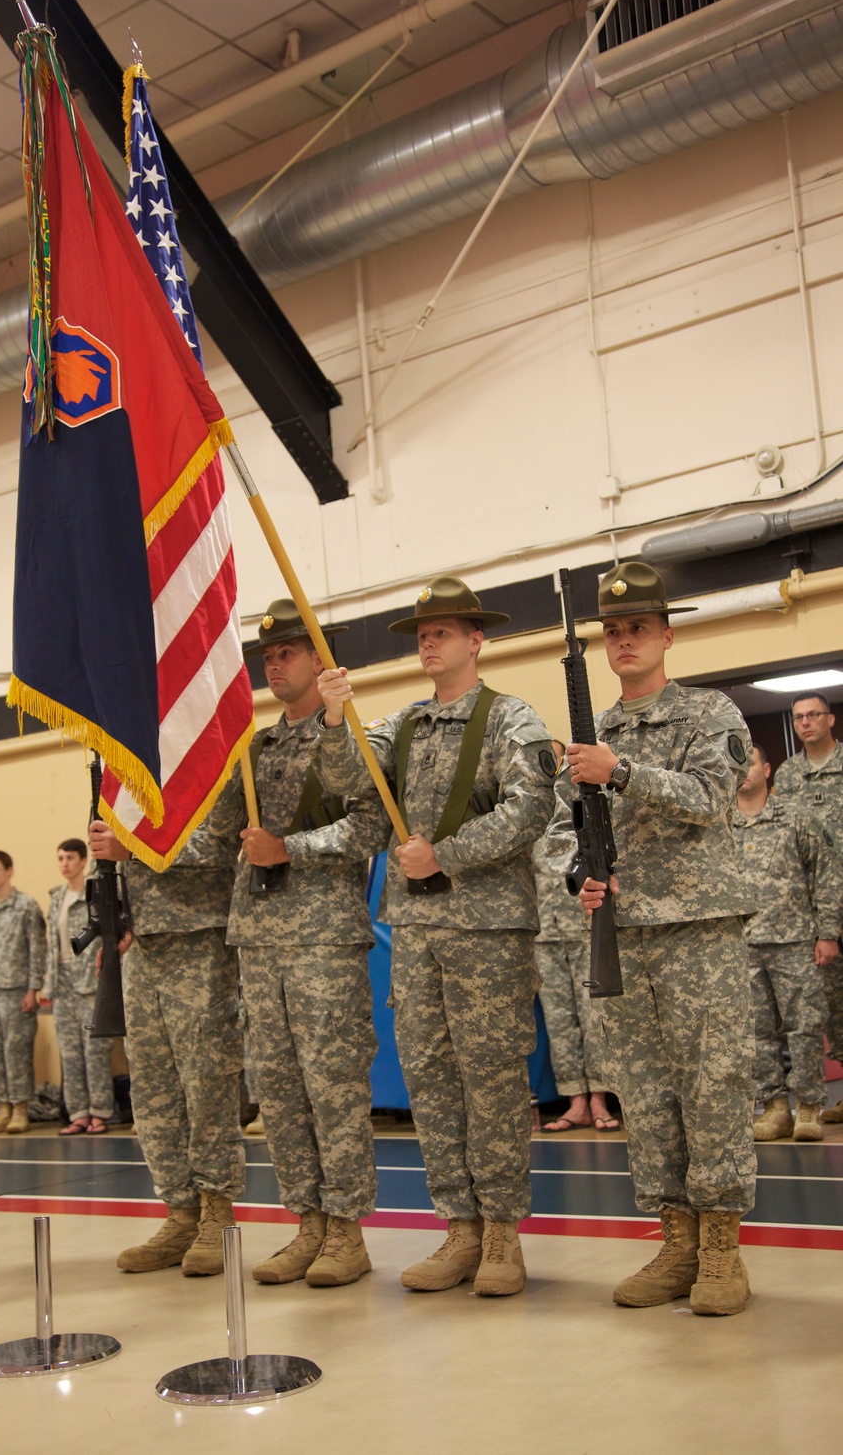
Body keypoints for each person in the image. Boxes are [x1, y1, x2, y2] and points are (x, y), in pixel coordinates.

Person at [316, 576, 556, 1297]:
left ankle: (505, 1235)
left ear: (476, 640)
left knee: (492, 1081)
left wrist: (443, 854)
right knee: (430, 1080)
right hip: (416, 933)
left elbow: (533, 805)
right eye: (422, 634)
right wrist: (334, 719)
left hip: (486, 931)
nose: (429, 642)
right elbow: (346, 776)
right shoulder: (403, 726)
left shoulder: (514, 719)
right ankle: (460, 1229)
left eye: (443, 632)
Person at [546, 561, 755, 1317]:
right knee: (646, 1091)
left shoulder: (709, 714)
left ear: (667, 634)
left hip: (700, 932)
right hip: (625, 934)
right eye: (614, 630)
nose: (625, 640)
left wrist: (623, 770)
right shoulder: (592, 733)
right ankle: (675, 1242)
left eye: (639, 627)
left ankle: (723, 1250)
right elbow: (576, 836)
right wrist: (583, 882)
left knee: (713, 1085)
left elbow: (709, 798)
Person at [200, 600, 381, 1290]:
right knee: (278, 1093)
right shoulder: (255, 748)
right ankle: (306, 1223)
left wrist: (291, 848)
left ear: (319, 660)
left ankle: (347, 1231)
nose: (276, 665)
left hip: (322, 938)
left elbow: (370, 828)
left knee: (333, 1088)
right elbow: (219, 833)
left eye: (289, 653)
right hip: (261, 939)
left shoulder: (352, 737)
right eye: (268, 657)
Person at [87, 820, 245, 1278]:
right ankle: (181, 1213)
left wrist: (132, 848)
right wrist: (115, 920)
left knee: (206, 1080)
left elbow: (218, 842)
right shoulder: (129, 772)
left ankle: (217, 1213)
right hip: (145, 945)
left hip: (198, 934)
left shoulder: (201, 753)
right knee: (153, 1092)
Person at [734, 744, 840, 1142]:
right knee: (756, 1030)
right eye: (737, 763)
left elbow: (826, 878)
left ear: (768, 768)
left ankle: (810, 1107)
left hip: (795, 940)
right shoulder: (722, 825)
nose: (744, 769)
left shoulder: (796, 818)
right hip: (742, 944)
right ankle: (775, 1108)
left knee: (806, 1026)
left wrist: (828, 933)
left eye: (751, 762)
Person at [533, 741, 614, 1131]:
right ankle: (575, 1101)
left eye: (556, 757)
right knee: (560, 1020)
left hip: (584, 926)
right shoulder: (525, 808)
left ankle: (600, 1098)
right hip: (544, 934)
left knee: (592, 1015)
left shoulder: (577, 804)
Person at [774, 693, 843, 1124]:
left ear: (830, 719)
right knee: (831, 1003)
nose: (805, 723)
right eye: (798, 717)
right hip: (815, 902)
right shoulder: (787, 774)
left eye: (813, 715)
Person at [0, 852, 46, 1136]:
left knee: (16, 1052)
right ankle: (1, 1108)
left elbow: (37, 948)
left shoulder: (26, 906)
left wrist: (33, 988)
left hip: (16, 990)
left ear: (9, 871)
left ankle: (20, 1109)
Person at [45, 838, 115, 1136]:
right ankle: (78, 1112)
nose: (65, 864)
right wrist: (48, 986)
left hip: (90, 981)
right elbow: (51, 945)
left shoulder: (94, 892)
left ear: (83, 861)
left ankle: (100, 1111)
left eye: (70, 858)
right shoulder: (56, 897)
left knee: (95, 1051)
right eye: (60, 858)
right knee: (69, 1053)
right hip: (63, 985)